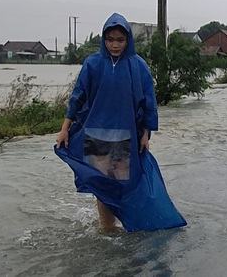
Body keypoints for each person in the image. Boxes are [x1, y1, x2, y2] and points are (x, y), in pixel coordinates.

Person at [55, 13, 186, 232]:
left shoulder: (138, 66)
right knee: (103, 186)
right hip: (96, 134)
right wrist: (64, 129)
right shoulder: (92, 64)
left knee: (122, 185)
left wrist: (145, 134)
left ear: (127, 41)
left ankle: (124, 225)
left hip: (125, 135)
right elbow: (77, 97)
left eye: (120, 40)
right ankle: (107, 230)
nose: (115, 44)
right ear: (104, 40)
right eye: (110, 39)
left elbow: (148, 103)